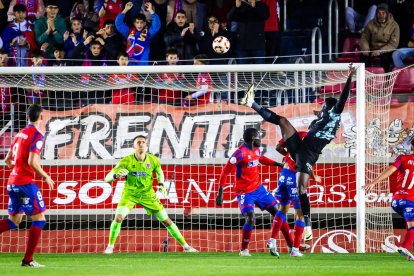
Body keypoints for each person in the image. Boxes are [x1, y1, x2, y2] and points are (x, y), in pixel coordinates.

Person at [240, 63, 356, 243]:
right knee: (283, 121)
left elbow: (342, 100)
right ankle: (250, 102)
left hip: (307, 154)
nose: (322, 106)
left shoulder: (334, 114)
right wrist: (319, 114)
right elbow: (319, 119)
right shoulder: (322, 118)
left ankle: (308, 225)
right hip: (300, 149)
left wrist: (349, 77)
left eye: (324, 105)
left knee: (301, 188)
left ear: (330, 107)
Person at [103, 135, 198, 254]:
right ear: (134, 146)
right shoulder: (125, 161)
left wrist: (161, 184)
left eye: (143, 142)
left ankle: (186, 247)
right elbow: (107, 178)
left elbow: (159, 172)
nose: (141, 144)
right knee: (118, 217)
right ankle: (110, 247)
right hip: (130, 194)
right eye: (138, 142)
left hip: (148, 195)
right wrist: (116, 176)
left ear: (146, 146)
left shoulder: (153, 160)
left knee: (166, 221)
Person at [0, 104, 55, 267]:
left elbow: (7, 160)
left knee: (14, 221)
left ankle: (28, 259)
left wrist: (16, 164)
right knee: (39, 219)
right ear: (42, 117)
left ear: (27, 117)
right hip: (24, 183)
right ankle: (28, 260)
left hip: (12, 182)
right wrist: (45, 176)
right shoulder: (37, 135)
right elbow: (32, 161)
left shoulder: (20, 133)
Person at [215, 128, 284, 257]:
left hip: (259, 189)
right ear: (253, 138)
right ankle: (244, 250)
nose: (260, 139)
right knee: (250, 217)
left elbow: (261, 158)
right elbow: (225, 172)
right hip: (244, 192)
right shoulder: (239, 154)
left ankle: (290, 245)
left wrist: (278, 164)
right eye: (259, 136)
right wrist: (220, 193)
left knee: (279, 213)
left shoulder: (256, 149)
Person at [364, 138, 414, 261]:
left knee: (411, 226)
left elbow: (389, 171)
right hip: (410, 201)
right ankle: (404, 247)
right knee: (413, 226)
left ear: (411, 147)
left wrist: (373, 182)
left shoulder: (403, 158)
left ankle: (408, 252)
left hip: (396, 201)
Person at [115, 1, 161, 65]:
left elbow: (156, 26)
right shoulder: (128, 32)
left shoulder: (148, 33)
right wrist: (125, 10)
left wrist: (151, 10)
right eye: (137, 22)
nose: (139, 25)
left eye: (141, 22)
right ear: (134, 23)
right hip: (129, 65)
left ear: (145, 23)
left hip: (142, 67)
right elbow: (118, 24)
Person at [360, 3, 399, 72]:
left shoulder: (394, 25)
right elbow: (365, 38)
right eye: (379, 13)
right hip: (372, 49)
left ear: (387, 13)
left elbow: (393, 44)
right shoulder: (370, 23)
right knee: (363, 55)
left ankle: (384, 76)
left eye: (383, 13)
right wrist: (365, 48)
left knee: (386, 57)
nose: (381, 15)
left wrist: (380, 51)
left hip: (385, 50)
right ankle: (367, 75)